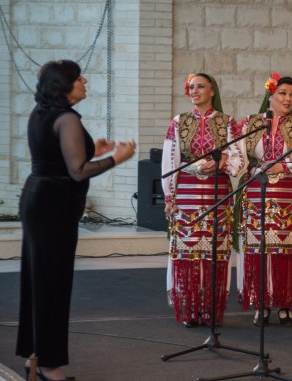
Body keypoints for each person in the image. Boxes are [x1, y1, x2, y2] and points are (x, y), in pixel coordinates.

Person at [16, 60, 136, 381]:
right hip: (52, 207)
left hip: (38, 198)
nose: (84, 80)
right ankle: (48, 366)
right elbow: (77, 171)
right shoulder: (67, 118)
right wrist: (116, 158)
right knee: (53, 285)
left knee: (39, 282)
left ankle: (35, 356)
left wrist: (92, 149)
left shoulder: (42, 112)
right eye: (77, 77)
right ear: (63, 85)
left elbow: (57, 157)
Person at [161, 73, 245, 327]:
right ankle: (189, 307)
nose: (195, 91)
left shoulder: (227, 123)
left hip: (216, 197)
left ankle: (209, 308)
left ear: (212, 92)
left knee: (213, 255)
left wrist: (222, 161)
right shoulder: (179, 122)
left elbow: (240, 160)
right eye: (191, 87)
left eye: (201, 87)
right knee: (188, 255)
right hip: (186, 196)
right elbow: (170, 160)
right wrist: (170, 195)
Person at [237, 74, 292, 327]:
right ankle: (261, 302)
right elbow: (239, 157)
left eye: (291, 94)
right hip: (256, 192)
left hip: (287, 192)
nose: (288, 99)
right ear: (270, 95)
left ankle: (286, 302)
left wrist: (284, 164)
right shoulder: (250, 123)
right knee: (258, 249)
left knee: (286, 249)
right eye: (283, 93)